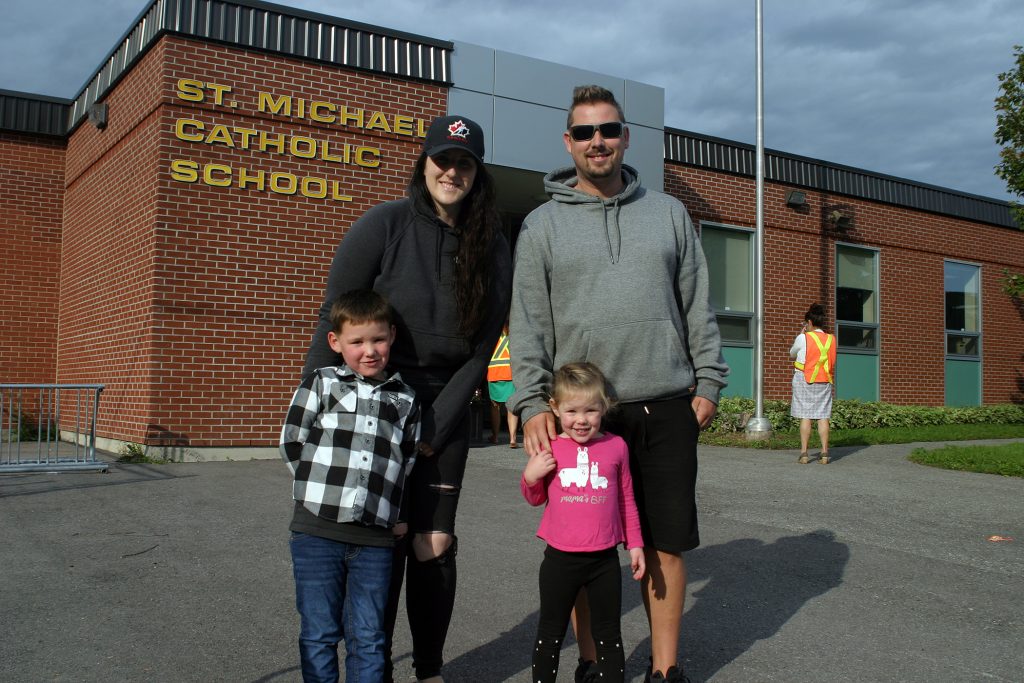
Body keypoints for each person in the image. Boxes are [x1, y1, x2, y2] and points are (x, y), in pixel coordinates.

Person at [509, 85, 728, 683]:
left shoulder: (669, 214)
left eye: (608, 129)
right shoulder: (541, 226)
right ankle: (592, 666)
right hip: (583, 415)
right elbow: (528, 325)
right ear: (568, 142)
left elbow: (697, 305)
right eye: (584, 132)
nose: (597, 141)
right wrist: (532, 402)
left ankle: (664, 670)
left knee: (665, 541)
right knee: (583, 548)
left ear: (626, 136)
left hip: (664, 405)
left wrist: (707, 383)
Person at [302, 114, 512, 682]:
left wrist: (433, 426)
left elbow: (483, 348)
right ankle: (378, 669)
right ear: (424, 163)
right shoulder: (384, 224)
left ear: (477, 173)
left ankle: (428, 669)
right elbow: (335, 315)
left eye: (465, 163)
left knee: (432, 542)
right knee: (380, 543)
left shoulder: (490, 245)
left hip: (445, 408)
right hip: (375, 402)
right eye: (443, 159)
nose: (452, 171)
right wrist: (314, 409)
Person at [281, 289, 421, 683]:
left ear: (391, 336)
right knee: (319, 634)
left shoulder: (406, 399)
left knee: (369, 637)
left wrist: (394, 512)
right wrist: (316, 490)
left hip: (375, 540)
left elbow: (405, 459)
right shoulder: (322, 383)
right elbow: (292, 439)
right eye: (357, 341)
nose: (369, 350)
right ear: (336, 342)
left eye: (377, 339)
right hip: (316, 532)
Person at [521, 362, 645, 683]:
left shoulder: (616, 446)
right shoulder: (551, 448)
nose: (581, 419)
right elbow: (534, 497)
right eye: (572, 410)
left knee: (609, 634)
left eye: (591, 410)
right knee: (550, 635)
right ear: (555, 408)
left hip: (604, 561)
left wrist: (635, 545)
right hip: (559, 561)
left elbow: (626, 500)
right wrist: (530, 476)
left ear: (604, 407)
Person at [789, 303, 837, 464]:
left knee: (806, 415)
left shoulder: (803, 337)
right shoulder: (831, 339)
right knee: (823, 416)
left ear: (809, 322)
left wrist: (800, 334)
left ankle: (804, 453)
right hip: (824, 380)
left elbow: (792, 354)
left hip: (804, 378)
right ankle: (824, 453)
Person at [487, 322, 520, 447]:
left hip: (494, 371)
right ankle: (513, 438)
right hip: (510, 372)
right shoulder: (515, 332)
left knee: (495, 406)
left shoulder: (492, 331)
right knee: (511, 407)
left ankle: (495, 437)